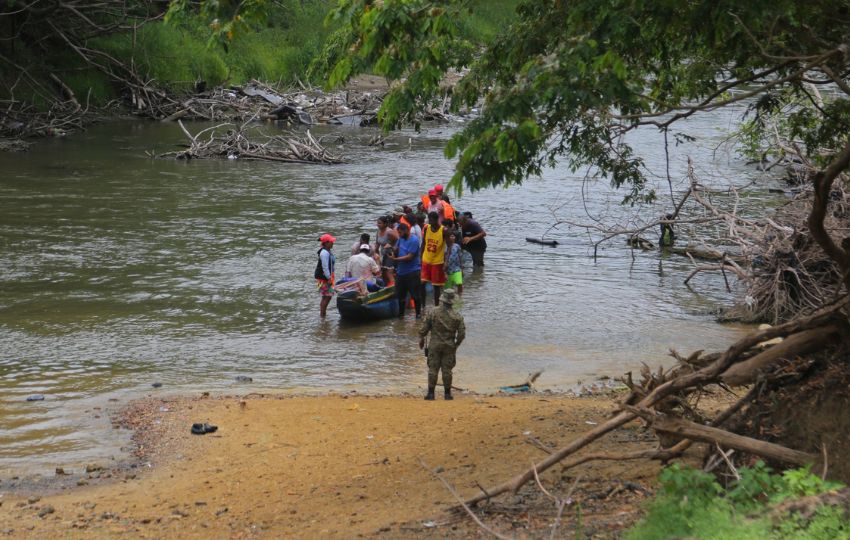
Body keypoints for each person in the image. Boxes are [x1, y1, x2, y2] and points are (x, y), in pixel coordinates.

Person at [418, 289, 465, 400]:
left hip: (434, 345)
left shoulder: (433, 312)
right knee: (447, 370)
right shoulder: (457, 316)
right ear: (452, 301)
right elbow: (462, 334)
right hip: (449, 346)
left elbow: (423, 330)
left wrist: (421, 339)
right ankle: (447, 394)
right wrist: (456, 344)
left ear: (442, 300)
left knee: (433, 369)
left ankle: (431, 394)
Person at [391, 223, 422, 318]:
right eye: (398, 233)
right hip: (401, 272)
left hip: (412, 272)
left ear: (406, 230)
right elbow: (396, 248)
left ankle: (418, 315)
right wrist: (393, 250)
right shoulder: (401, 239)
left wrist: (396, 259)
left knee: (415, 295)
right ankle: (401, 316)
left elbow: (410, 257)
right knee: (400, 295)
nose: (399, 235)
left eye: (400, 233)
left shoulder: (414, 240)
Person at [420, 211, 447, 305]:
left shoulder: (444, 230)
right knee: (422, 283)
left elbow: (450, 246)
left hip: (437, 262)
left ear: (436, 219)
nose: (429, 221)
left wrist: (446, 262)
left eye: (431, 219)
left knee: (436, 286)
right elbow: (423, 244)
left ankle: (436, 306)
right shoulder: (427, 228)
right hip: (426, 260)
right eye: (428, 219)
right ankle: (423, 305)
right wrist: (420, 258)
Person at [314, 233, 336, 317]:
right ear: (326, 243)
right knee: (327, 296)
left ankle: (323, 315)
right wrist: (329, 278)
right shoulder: (324, 253)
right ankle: (322, 315)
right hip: (325, 278)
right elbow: (325, 267)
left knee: (326, 296)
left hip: (327, 277)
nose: (332, 243)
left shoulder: (327, 251)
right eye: (331, 242)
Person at [374, 215, 399, 286]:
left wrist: (391, 245)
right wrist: (375, 252)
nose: (378, 225)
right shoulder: (378, 231)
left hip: (391, 254)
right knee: (383, 272)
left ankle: (394, 286)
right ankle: (386, 286)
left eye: (380, 223)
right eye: (377, 223)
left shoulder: (390, 232)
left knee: (389, 272)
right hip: (383, 254)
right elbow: (377, 243)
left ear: (385, 224)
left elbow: (399, 240)